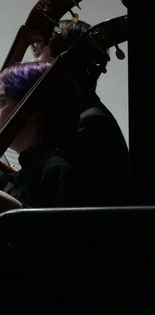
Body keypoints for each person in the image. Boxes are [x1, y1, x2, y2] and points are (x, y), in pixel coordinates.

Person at [0, 60, 87, 221]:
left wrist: (8, 206)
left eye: (2, 102)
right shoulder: (29, 169)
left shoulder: (57, 169)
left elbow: (56, 239)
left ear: (32, 109)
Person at [33, 18, 130, 206]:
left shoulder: (90, 123)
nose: (31, 63)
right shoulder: (80, 117)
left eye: (38, 55)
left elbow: (67, 204)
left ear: (63, 64)